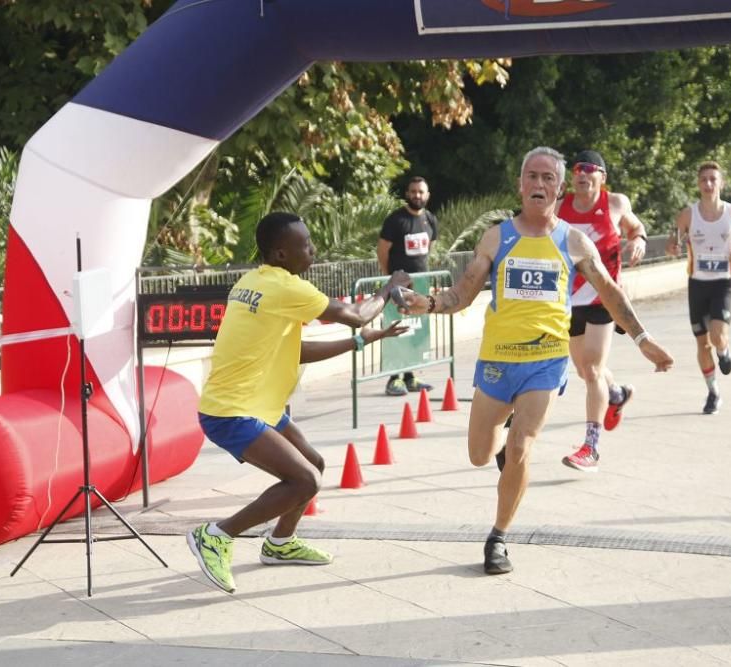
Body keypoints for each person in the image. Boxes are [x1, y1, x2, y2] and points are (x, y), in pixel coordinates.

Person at [396, 147, 673, 575]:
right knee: (478, 453)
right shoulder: (496, 237)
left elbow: (611, 292)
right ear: (520, 185)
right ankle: (505, 448)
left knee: (522, 446)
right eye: (532, 176)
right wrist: (428, 303)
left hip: (546, 360)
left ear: (559, 189)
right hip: (497, 361)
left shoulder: (574, 241)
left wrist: (643, 338)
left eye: (548, 178)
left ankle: (498, 538)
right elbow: (462, 294)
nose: (539, 184)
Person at [189, 212, 410, 593]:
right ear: (279, 253)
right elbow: (356, 315)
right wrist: (389, 287)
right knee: (304, 479)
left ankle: (279, 544)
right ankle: (216, 535)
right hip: (232, 411)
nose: (313, 249)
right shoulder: (286, 288)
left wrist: (363, 341)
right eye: (304, 244)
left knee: (314, 464)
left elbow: (294, 350)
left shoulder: (254, 282)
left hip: (254, 404)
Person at [556, 150, 648, 473]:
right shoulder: (559, 206)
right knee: (585, 370)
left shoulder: (615, 204)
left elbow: (637, 228)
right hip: (568, 302)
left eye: (589, 170)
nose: (581, 175)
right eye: (577, 170)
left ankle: (590, 447)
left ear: (602, 177)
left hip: (603, 300)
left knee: (592, 369)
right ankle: (617, 393)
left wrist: (639, 241)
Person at [666, 162, 731, 415]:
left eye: (713, 179)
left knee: (717, 337)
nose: (708, 184)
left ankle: (724, 351)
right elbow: (673, 240)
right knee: (702, 345)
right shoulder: (687, 215)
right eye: (704, 179)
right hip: (697, 284)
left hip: (723, 283)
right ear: (698, 184)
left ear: (721, 183)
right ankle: (713, 392)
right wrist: (673, 247)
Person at [377, 176, 438, 396]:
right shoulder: (395, 220)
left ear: (427, 195)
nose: (417, 195)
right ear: (407, 194)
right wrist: (389, 278)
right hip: (398, 288)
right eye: (413, 191)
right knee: (398, 330)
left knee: (416, 331)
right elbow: (382, 250)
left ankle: (411, 377)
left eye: (421, 192)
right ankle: (394, 379)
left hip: (420, 286)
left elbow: (428, 249)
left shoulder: (430, 219)